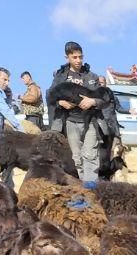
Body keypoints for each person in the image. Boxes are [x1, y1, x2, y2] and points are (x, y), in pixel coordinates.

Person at [48, 41, 103, 185]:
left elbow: (104, 99)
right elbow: (51, 96)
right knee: (76, 158)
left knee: (90, 155)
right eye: (74, 57)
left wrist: (93, 102)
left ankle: (91, 190)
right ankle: (82, 189)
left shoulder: (91, 77)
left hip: (90, 121)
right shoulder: (61, 77)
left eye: (80, 57)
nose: (78, 60)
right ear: (67, 57)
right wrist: (61, 103)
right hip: (70, 123)